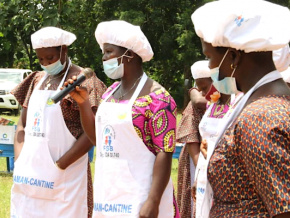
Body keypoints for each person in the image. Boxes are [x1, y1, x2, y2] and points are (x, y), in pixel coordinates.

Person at [66, 20, 179, 218]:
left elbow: (165, 152)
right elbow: (99, 141)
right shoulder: (110, 93)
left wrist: (152, 201)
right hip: (108, 196)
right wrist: (83, 104)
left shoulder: (159, 98)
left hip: (141, 197)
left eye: (109, 52)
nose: (104, 57)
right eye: (103, 52)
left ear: (130, 54)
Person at [191, 0, 290, 217]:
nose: (209, 67)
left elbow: (283, 209)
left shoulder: (259, 117)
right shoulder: (268, 102)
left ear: (234, 57)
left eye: (210, 57)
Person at [10, 27, 107, 218]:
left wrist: (60, 166)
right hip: (30, 175)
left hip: (66, 176)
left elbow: (93, 133)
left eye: (51, 58)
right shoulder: (36, 80)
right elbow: (23, 124)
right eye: (41, 59)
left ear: (64, 50)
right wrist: (20, 158)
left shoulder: (84, 81)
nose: (46, 63)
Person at [176, 60, 210, 218]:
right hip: (196, 161)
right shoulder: (194, 107)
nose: (202, 93)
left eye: (204, 88)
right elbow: (192, 141)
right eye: (199, 89)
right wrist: (202, 172)